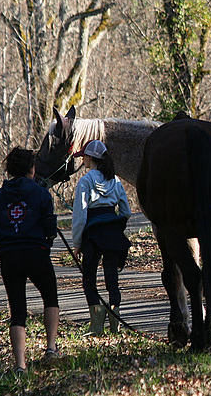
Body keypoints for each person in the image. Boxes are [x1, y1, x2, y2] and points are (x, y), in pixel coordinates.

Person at [0, 147, 60, 372]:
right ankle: (51, 349)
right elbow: (50, 228)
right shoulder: (41, 194)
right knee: (50, 297)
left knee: (17, 310)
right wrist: (48, 238)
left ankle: (20, 365)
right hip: (37, 254)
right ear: (32, 169)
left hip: (9, 258)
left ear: (10, 170)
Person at [72, 139, 131, 335]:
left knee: (89, 278)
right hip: (113, 234)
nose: (83, 160)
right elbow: (126, 211)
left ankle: (96, 325)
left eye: (84, 157)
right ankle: (115, 322)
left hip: (92, 234)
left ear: (90, 158)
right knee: (111, 277)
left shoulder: (86, 181)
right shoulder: (115, 181)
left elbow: (80, 215)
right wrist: (116, 224)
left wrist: (77, 242)